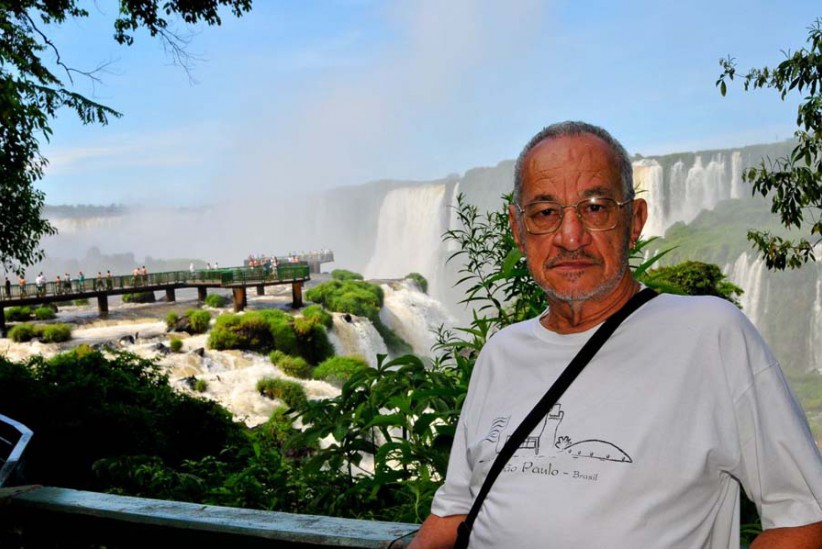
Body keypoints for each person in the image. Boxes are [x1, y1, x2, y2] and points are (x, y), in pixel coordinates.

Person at [411, 121, 822, 548]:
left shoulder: (711, 335)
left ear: (634, 221)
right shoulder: (500, 353)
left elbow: (806, 518)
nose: (571, 237)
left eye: (595, 208)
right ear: (518, 229)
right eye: (546, 213)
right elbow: (454, 510)